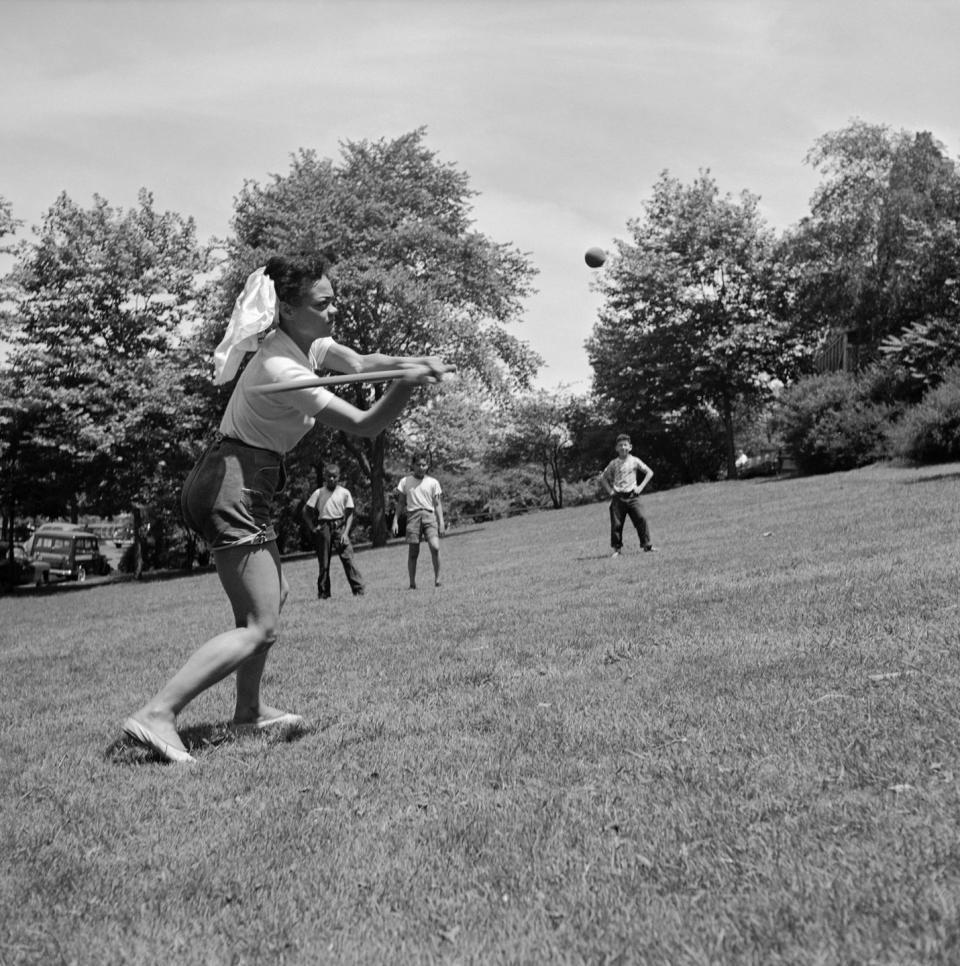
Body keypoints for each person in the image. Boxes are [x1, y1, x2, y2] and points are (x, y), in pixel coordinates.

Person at [122, 254, 450, 763]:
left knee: (275, 594)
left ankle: (249, 712)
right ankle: (158, 713)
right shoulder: (281, 365)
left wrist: (407, 363)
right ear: (290, 310)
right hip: (231, 485)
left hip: (246, 480)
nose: (334, 309)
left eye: (334, 298)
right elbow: (364, 424)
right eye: (324, 303)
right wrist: (406, 384)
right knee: (261, 624)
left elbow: (361, 364)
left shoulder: (308, 342)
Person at [302, 464, 364, 599]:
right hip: (323, 527)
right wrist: (313, 528)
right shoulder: (319, 493)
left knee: (348, 559)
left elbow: (350, 514)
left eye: (334, 476)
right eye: (329, 476)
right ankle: (324, 593)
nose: (331, 479)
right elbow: (306, 511)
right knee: (324, 562)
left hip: (340, 526)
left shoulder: (344, 493)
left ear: (338, 477)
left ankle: (358, 590)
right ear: (325, 477)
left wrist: (346, 533)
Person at [391, 452, 444, 589]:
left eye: (424, 464)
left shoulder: (433, 482)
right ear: (413, 466)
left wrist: (441, 522)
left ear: (427, 466)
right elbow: (401, 503)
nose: (421, 467)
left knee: (435, 547)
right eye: (418, 465)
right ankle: (412, 583)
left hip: (429, 516)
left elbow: (437, 504)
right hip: (413, 517)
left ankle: (438, 579)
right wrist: (395, 520)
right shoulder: (405, 482)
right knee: (413, 552)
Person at [600, 433, 656, 557]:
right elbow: (603, 478)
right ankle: (617, 549)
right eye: (620, 445)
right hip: (618, 498)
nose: (623, 447)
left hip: (633, 496)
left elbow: (649, 472)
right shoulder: (613, 463)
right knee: (617, 524)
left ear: (630, 447)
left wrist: (640, 487)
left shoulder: (635, 461)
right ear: (616, 448)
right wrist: (610, 491)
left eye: (625, 445)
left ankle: (647, 545)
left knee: (641, 519)